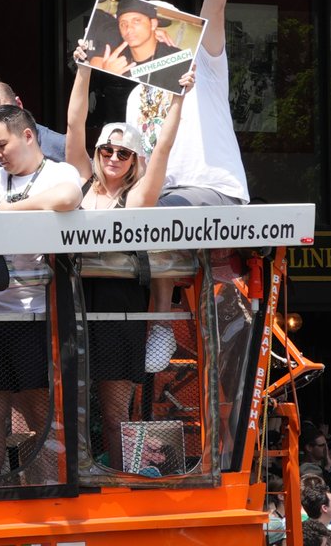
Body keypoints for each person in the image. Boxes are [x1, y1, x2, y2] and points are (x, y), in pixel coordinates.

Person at [66, 48, 194, 463]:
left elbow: (164, 149)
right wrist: (83, 71)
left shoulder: (137, 197)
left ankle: (121, 477)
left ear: (134, 160)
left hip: (120, 308)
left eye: (124, 153)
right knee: (68, 405)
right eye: (107, 150)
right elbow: (73, 124)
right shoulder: (80, 183)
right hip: (74, 303)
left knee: (114, 408)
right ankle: (78, 475)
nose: (114, 158)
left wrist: (178, 98)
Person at [0, 104, 81, 477]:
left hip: (36, 316)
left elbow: (68, 197)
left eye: (3, 145)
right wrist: (2, 210)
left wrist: (10, 210)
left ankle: (48, 488)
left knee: (41, 409)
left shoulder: (58, 172)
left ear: (28, 135)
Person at [126, 0, 248, 208]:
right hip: (162, 194)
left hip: (213, 188)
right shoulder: (135, 95)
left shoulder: (204, 63)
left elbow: (215, 4)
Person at [87, 0, 187, 91]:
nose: (128, 29)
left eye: (136, 21)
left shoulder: (179, 61)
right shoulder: (118, 63)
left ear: (153, 24)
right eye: (123, 24)